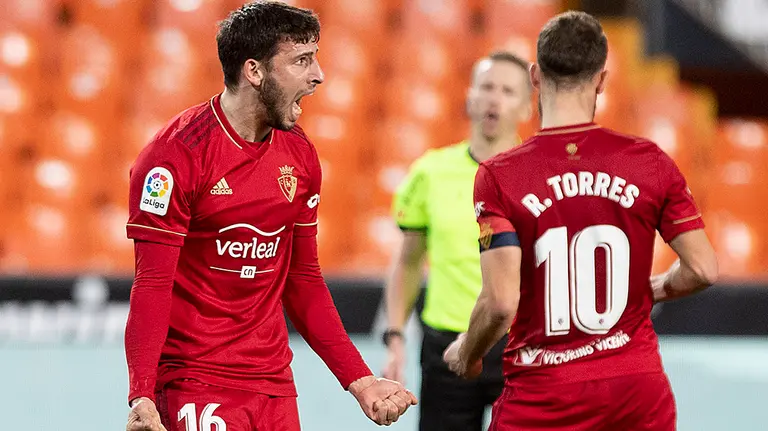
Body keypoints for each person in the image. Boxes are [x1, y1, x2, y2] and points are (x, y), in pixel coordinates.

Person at [123, 2, 417, 431]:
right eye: (301, 60)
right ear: (254, 72)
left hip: (273, 386)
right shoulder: (174, 157)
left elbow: (303, 279)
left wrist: (359, 380)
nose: (318, 75)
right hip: (196, 381)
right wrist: (142, 394)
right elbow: (152, 284)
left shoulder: (300, 154)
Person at [443, 11, 718, 431]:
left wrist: (467, 354)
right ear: (601, 80)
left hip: (543, 398)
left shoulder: (500, 176)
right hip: (636, 394)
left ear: (535, 77)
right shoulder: (649, 162)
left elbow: (500, 303)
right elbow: (703, 269)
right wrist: (652, 289)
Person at [382, 51, 532, 431]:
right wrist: (395, 337)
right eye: (487, 87)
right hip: (445, 346)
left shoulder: (540, 176)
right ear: (470, 97)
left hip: (520, 345)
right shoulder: (430, 172)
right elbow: (408, 262)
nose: (494, 98)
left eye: (508, 91)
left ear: (527, 106)